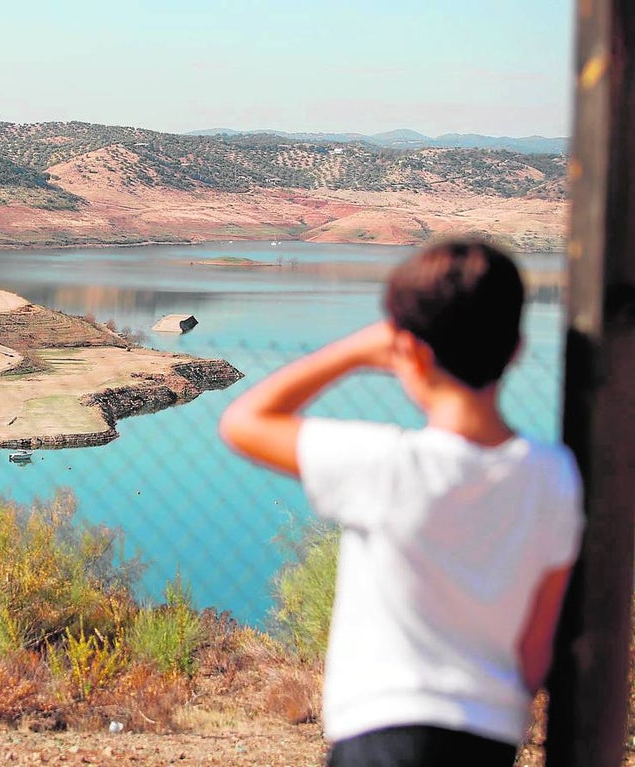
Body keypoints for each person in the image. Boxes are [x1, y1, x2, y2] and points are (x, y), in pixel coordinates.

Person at [218, 238, 583, 766]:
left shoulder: (387, 467)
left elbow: (243, 422)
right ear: (517, 348)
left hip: (382, 734)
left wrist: (355, 351)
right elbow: (534, 655)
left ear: (408, 350)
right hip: (491, 738)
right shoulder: (555, 477)